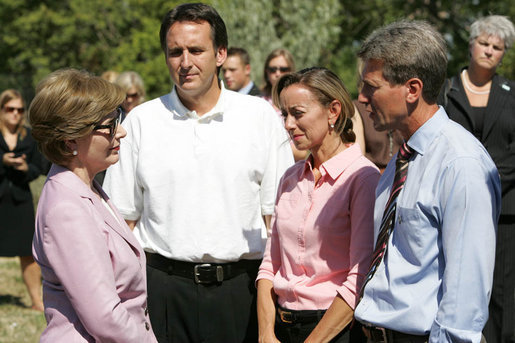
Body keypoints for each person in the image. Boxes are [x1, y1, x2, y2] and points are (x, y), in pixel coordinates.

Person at [102, 3, 293, 343]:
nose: (185, 62)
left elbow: (278, 220)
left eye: (196, 50)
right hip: (162, 291)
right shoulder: (140, 122)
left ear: (220, 53)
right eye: (175, 52)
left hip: (242, 291)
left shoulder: (259, 117)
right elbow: (121, 223)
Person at [353, 20, 501, 342]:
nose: (362, 98)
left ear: (412, 90)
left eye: (371, 87)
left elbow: (466, 295)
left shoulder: (461, 164)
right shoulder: (403, 158)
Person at [29, 68, 157, 342]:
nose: (120, 132)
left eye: (118, 119)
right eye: (109, 126)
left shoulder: (86, 189)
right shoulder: (67, 209)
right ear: (71, 138)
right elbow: (105, 319)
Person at [256, 67, 379, 343]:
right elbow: (269, 265)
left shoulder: (362, 178)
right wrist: (265, 332)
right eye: (284, 114)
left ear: (333, 111)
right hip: (281, 328)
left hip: (335, 330)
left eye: (297, 113)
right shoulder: (290, 178)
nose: (288, 124)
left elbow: (359, 277)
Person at [437, 15, 515, 343]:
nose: (489, 51)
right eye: (484, 43)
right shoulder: (446, 90)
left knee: (501, 292)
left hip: (505, 210)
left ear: (504, 53)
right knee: (457, 281)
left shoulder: (512, 93)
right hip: (454, 204)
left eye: (497, 47)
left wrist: (486, 179)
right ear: (471, 45)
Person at [0, 89, 44, 311]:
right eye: (10, 109)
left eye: (19, 110)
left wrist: (27, 168)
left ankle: (37, 301)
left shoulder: (29, 136)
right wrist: (3, 161)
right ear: (1, 110)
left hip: (20, 200)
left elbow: (40, 166)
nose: (15, 114)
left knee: (28, 252)